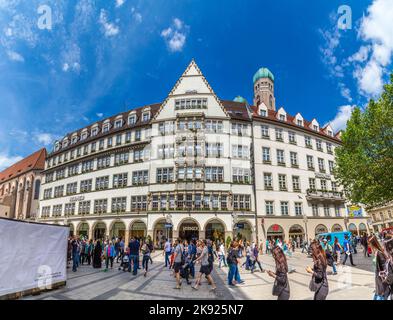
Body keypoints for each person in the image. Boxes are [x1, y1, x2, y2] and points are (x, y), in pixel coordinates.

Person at [368, 235, 390, 300]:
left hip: (381, 281)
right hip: (378, 280)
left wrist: (383, 282)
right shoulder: (375, 252)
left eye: (369, 243)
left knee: (380, 297)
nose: (368, 245)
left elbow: (385, 269)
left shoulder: (379, 253)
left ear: (373, 243)